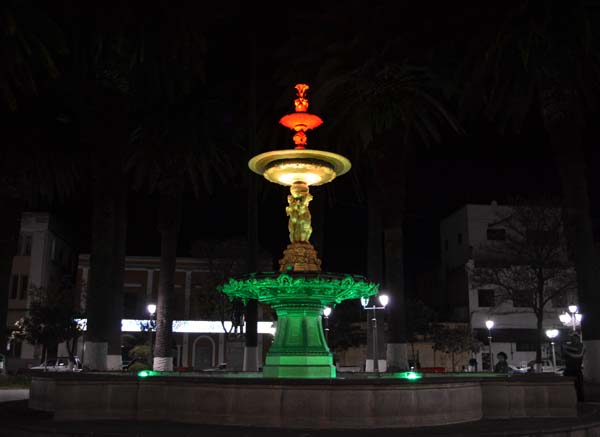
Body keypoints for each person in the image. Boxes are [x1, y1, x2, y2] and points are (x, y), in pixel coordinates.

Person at [563, 334, 584, 401]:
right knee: (568, 386)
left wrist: (566, 350)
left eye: (575, 339)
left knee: (578, 386)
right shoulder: (569, 345)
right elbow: (564, 356)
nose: (573, 340)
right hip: (568, 369)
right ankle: (569, 399)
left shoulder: (581, 345)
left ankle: (580, 399)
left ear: (578, 339)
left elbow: (578, 355)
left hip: (576, 369)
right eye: (572, 339)